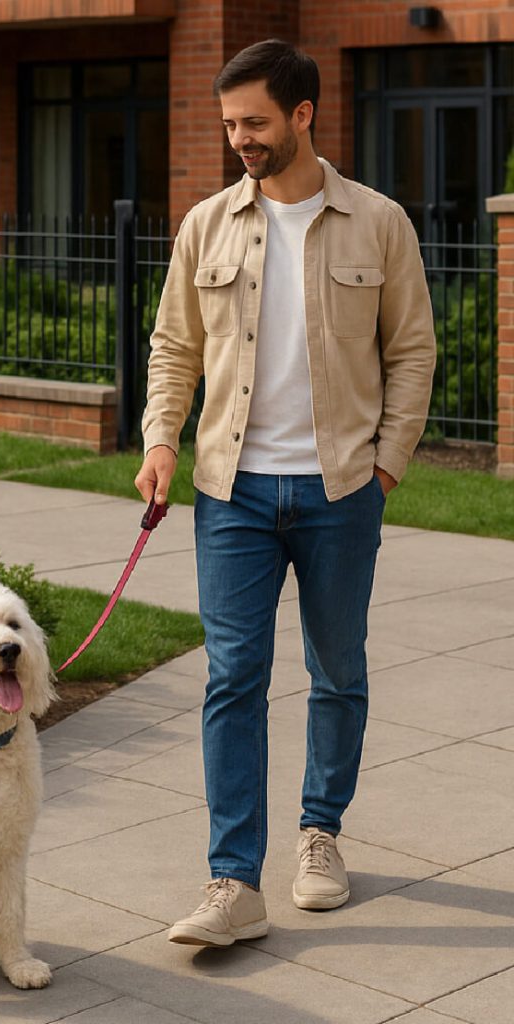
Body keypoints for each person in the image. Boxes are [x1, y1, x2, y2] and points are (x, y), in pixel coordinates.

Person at [135, 38, 436, 947]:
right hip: (232, 494)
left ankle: (320, 834)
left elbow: (412, 351)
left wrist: (386, 466)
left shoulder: (379, 222)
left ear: (303, 114)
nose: (241, 139)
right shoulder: (206, 226)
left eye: (256, 122)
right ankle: (234, 880)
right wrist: (160, 439)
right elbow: (174, 347)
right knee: (233, 679)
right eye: (231, 124)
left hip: (342, 490)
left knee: (337, 671)